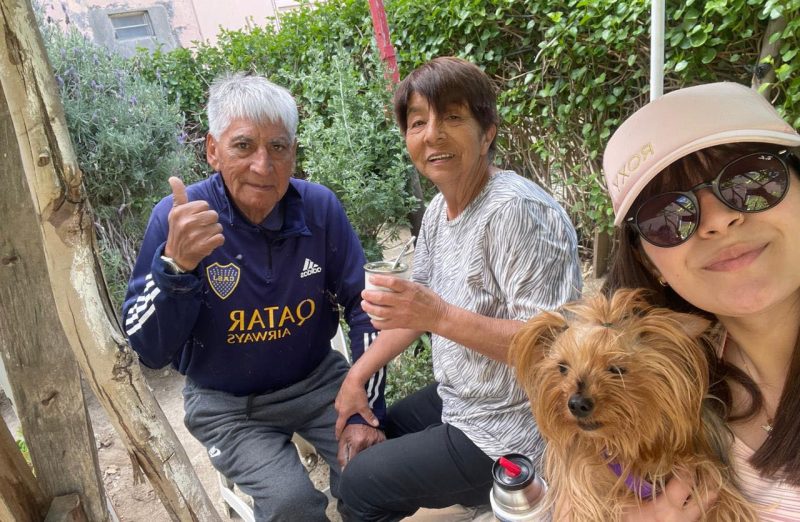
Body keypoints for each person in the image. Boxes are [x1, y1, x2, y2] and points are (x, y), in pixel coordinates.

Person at [121, 72, 385, 522]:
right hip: (226, 404)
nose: (263, 166)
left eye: (278, 147)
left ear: (293, 153)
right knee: (291, 503)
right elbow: (146, 349)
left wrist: (365, 408)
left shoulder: (319, 209)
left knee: (376, 473)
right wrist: (176, 268)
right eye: (243, 146)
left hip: (318, 383)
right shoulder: (179, 219)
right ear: (213, 150)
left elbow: (366, 306)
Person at [334, 56, 582, 521]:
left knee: (359, 486)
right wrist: (355, 379)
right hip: (463, 399)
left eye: (452, 117)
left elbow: (553, 348)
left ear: (487, 133)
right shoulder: (438, 212)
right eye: (417, 122)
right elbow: (417, 314)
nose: (432, 135)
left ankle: (490, 493)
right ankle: (470, 496)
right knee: (365, 437)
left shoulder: (517, 212)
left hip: (514, 427)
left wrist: (439, 315)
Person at [602, 82, 800, 520]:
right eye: (667, 214)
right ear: (648, 260)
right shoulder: (658, 385)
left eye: (751, 177)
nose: (718, 220)